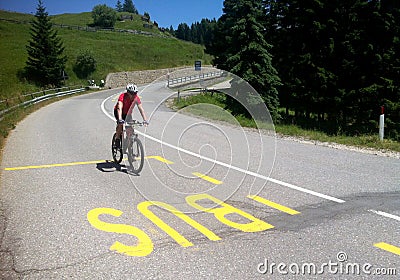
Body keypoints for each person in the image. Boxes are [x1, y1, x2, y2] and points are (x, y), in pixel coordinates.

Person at [114, 83, 148, 148]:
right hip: (119, 112)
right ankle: (117, 139)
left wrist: (145, 120)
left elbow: (141, 109)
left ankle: (129, 145)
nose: (134, 95)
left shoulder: (136, 98)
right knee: (120, 125)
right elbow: (119, 108)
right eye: (132, 93)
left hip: (128, 114)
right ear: (128, 93)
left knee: (130, 129)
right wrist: (120, 119)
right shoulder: (123, 96)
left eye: (135, 93)